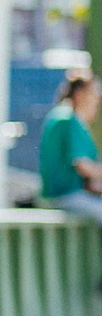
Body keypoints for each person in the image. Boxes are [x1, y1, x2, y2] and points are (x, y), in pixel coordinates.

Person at [37, 72, 102, 223]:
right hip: (64, 196)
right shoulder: (67, 119)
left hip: (70, 194)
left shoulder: (66, 116)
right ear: (80, 93)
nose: (97, 97)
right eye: (95, 90)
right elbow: (83, 166)